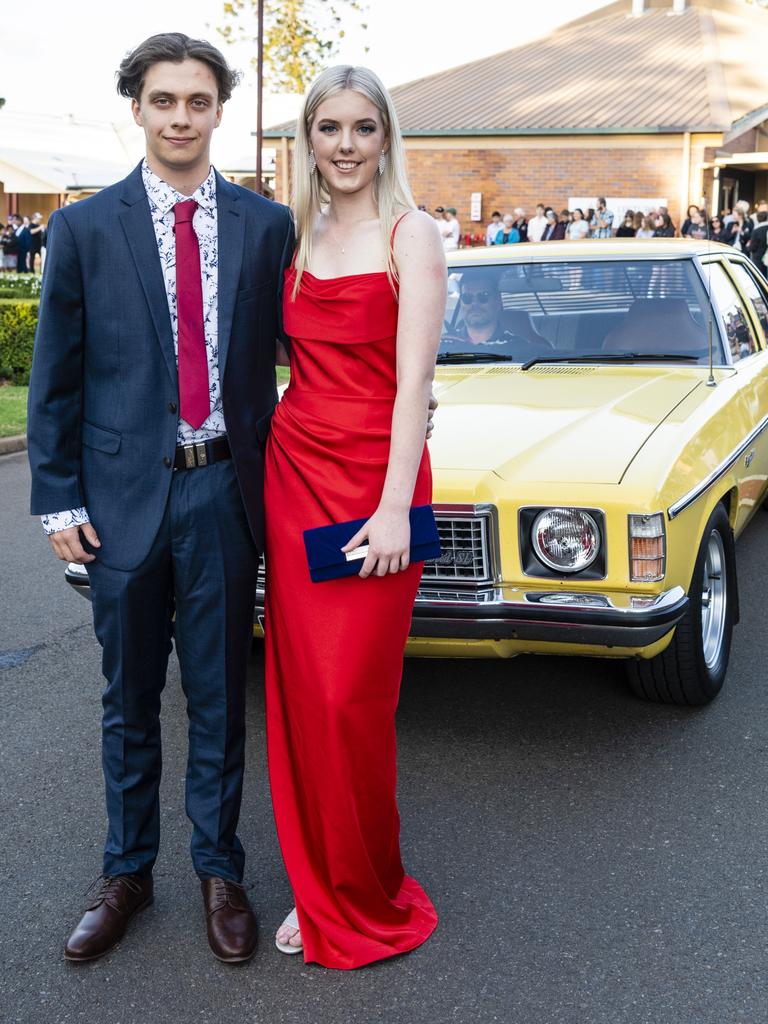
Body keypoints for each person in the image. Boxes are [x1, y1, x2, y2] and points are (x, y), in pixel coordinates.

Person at [27, 32, 296, 966]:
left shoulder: (268, 227)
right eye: (163, 100)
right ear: (137, 109)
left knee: (222, 698)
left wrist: (404, 395)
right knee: (128, 698)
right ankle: (126, 873)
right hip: (121, 499)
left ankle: (221, 871)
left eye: (198, 100)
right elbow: (55, 378)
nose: (182, 117)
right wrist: (57, 499)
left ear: (220, 109)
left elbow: (313, 351)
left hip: (227, 491)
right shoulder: (85, 228)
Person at [265, 64, 443, 968]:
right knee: (301, 697)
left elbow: (415, 384)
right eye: (328, 128)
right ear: (309, 139)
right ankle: (316, 885)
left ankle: (361, 891)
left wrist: (396, 509)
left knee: (351, 702)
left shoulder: (411, 236)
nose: (345, 145)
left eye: (362, 128)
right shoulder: (292, 235)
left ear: (386, 138)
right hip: (295, 475)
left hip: (378, 488)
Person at [442, 271, 550, 361]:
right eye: (467, 298)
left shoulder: (517, 346)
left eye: (483, 296)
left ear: (498, 301)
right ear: (461, 302)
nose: (474, 304)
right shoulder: (443, 346)